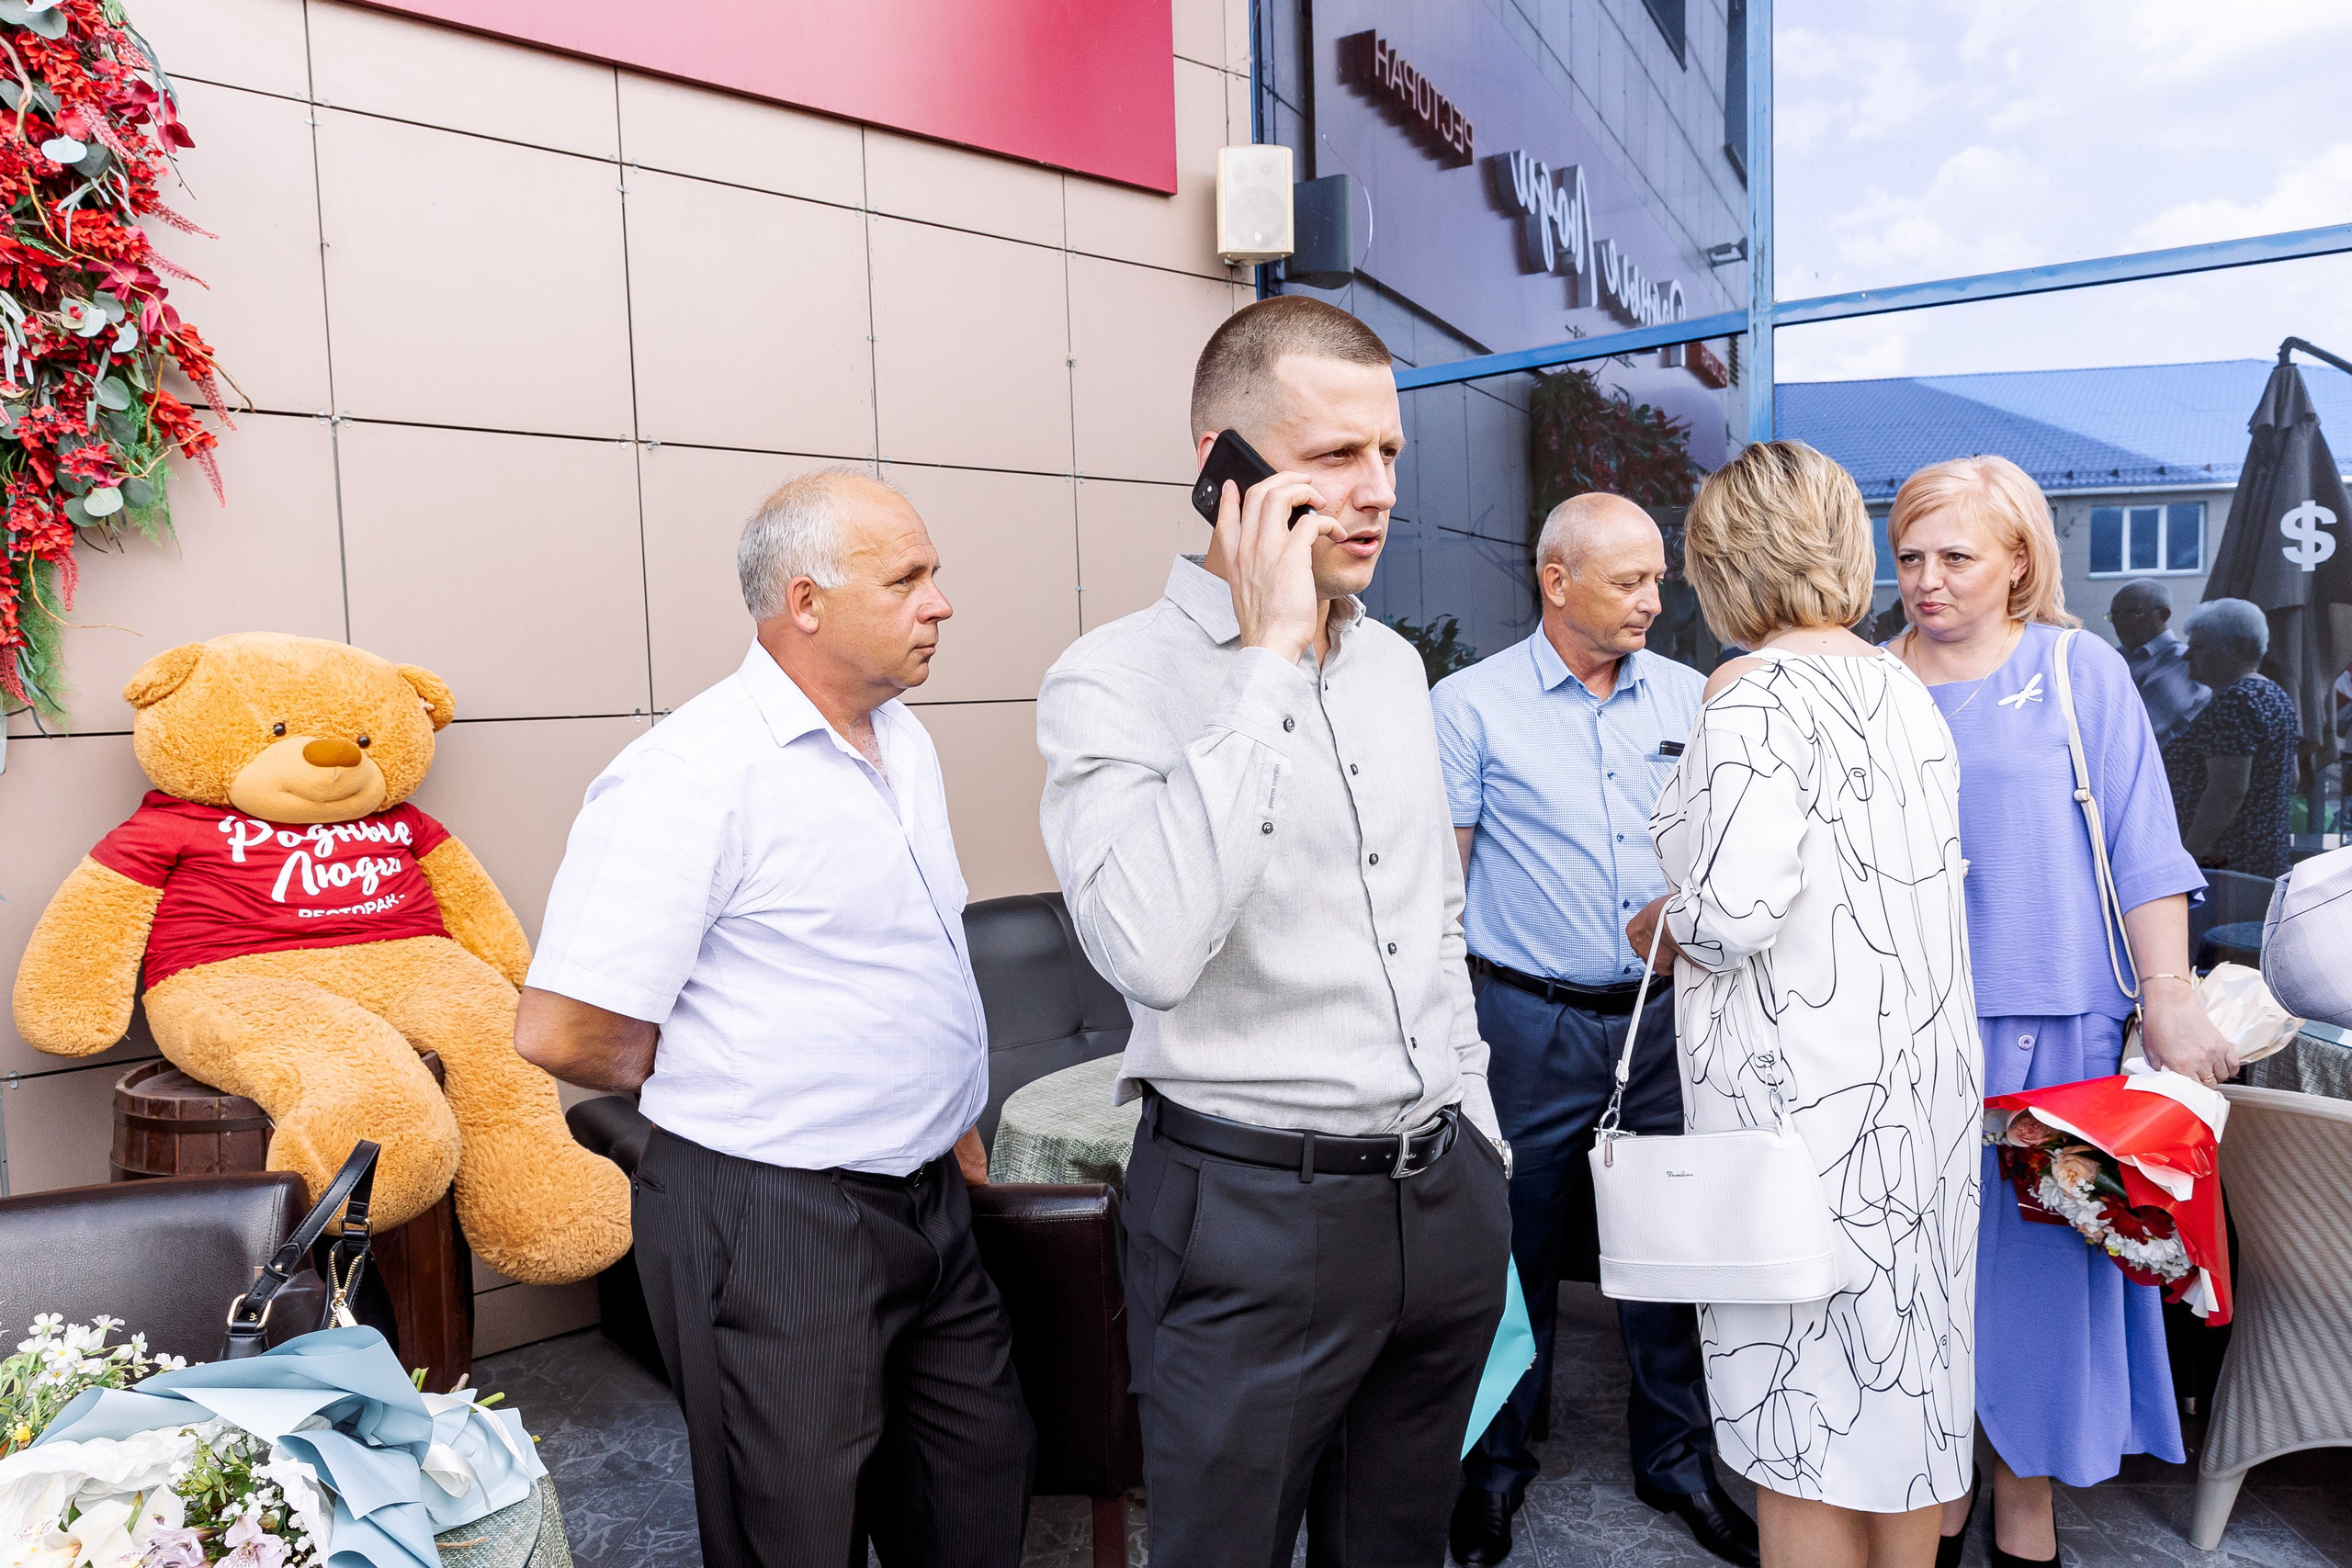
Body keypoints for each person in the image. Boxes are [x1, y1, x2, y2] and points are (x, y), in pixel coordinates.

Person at [1035, 296, 1512, 1565]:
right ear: (1222, 467)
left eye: (1390, 455)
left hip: (1441, 1196)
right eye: (1331, 456)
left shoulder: (1398, 667)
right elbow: (1146, 948)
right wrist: (1266, 661)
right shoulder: (1110, 678)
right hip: (1251, 1214)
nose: (1374, 493)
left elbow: (1436, 917)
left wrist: (1482, 1138)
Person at [513, 469, 1034, 1568]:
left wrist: (951, 1118)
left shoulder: (906, 742)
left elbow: (903, 960)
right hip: (771, 1217)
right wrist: (734, 1079)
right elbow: (564, 1033)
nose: (940, 602)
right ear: (805, 603)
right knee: (795, 1529)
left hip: (929, 1195)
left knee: (978, 1484)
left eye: (933, 574)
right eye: (908, 579)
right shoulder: (688, 775)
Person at [1629, 439, 1982, 1568]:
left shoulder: (1752, 696)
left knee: (1804, 1422)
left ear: (1723, 557)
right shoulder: (1900, 688)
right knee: (1902, 1401)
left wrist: (1660, 924)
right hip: (1914, 1107)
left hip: (1800, 1124)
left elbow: (1730, 915)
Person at [1882, 455, 2235, 1568]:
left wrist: (2169, 998)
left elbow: (2143, 847)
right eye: (1909, 558)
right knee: (1915, 1299)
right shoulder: (1867, 680)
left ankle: (2021, 1512)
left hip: (2056, 1043)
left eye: (1956, 557)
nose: (1927, 580)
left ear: (2021, 560)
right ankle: (1934, 1508)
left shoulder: (2077, 668)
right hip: (1898, 1040)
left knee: (2034, 1310)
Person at [1432, 495, 1755, 1568]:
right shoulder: (1468, 707)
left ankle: (1674, 1464)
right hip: (1526, 1020)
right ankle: (1493, 1476)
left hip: (1664, 1022)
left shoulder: (1695, 696)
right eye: (1630, 582)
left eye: (1659, 579)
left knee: (1672, 1247)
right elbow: (1444, 885)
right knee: (1509, 1254)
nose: (1655, 603)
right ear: (1555, 581)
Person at [2163, 598, 2301, 878]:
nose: (2186, 656)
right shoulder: (2274, 694)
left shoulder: (2235, 703)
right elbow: (2293, 777)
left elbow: (2227, 792)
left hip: (2225, 864)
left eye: (2198, 646)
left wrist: (2189, 857)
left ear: (2236, 650)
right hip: (2259, 858)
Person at [2108, 578, 2210, 744]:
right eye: (2114, 615)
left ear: (2163, 615)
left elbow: (2136, 727)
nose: (2118, 622)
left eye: (2131, 614)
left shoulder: (2181, 661)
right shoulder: (2118, 656)